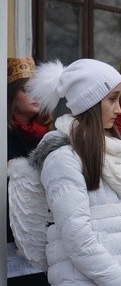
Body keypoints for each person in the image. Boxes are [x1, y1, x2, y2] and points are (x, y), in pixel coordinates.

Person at [22, 58, 121, 285]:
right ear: (90, 103)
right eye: (112, 99)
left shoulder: (109, 154)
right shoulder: (63, 159)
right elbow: (78, 241)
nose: (119, 108)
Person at [6, 56, 51, 285]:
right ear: (12, 95)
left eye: (37, 89)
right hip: (11, 233)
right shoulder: (5, 135)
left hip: (44, 231)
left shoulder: (47, 135)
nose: (35, 95)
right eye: (27, 90)